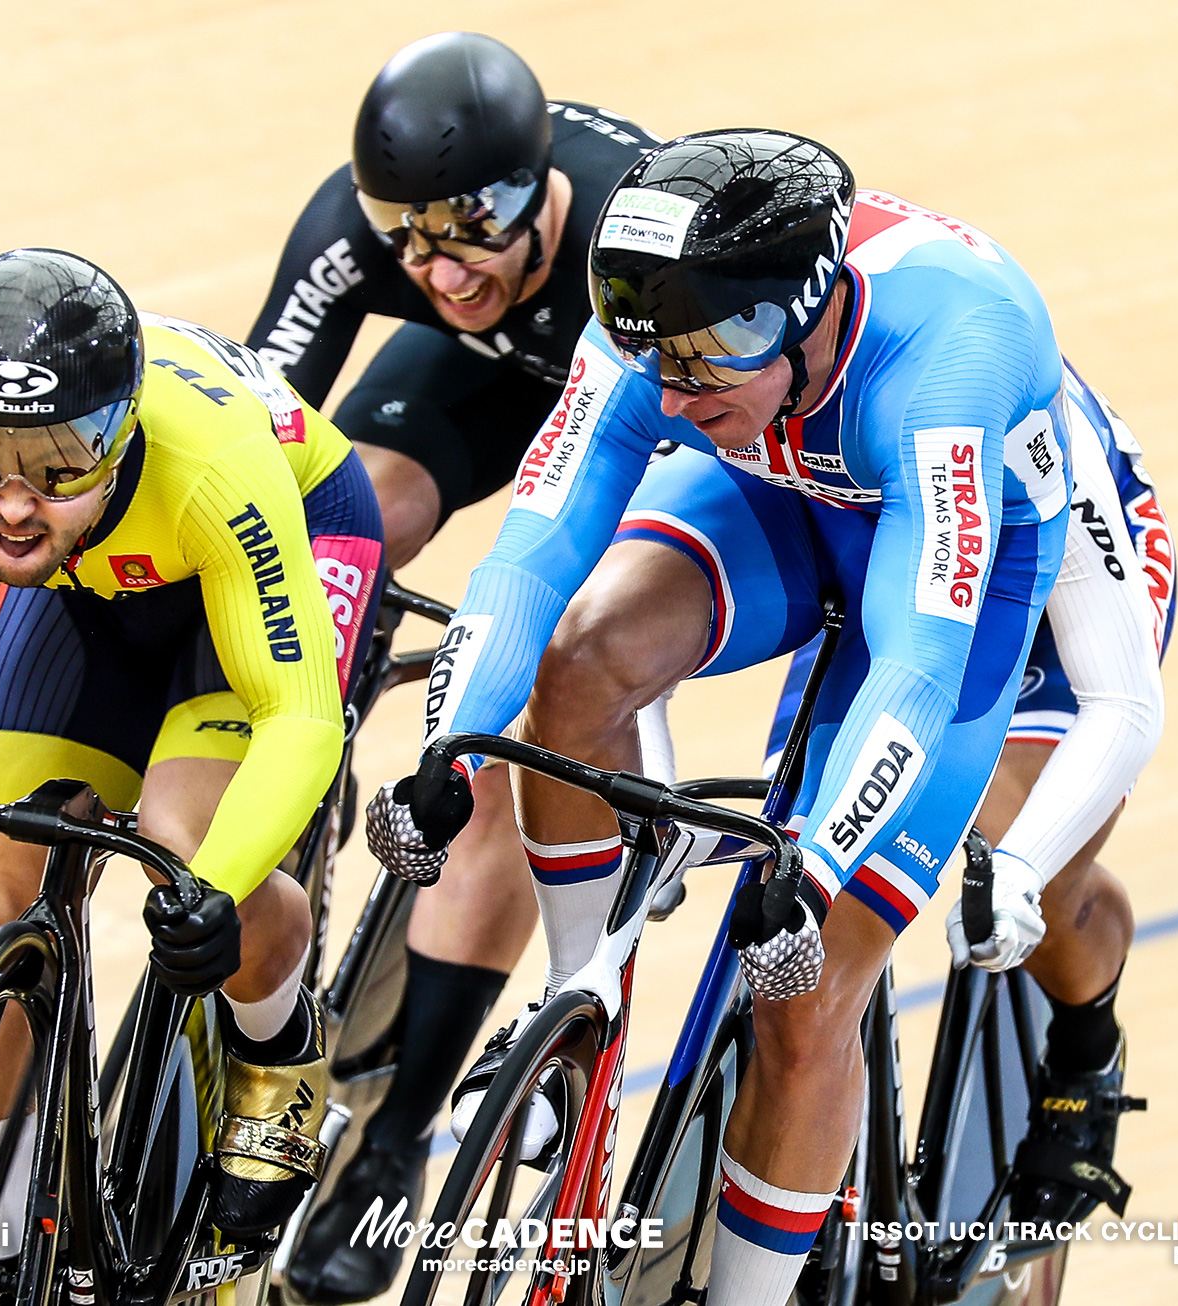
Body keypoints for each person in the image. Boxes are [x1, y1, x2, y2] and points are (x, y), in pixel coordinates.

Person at [369, 129, 1091, 1306]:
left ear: (801, 320)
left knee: (804, 998)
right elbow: (532, 554)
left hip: (952, 579)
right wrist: (449, 745)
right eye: (655, 361)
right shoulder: (660, 335)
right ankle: (579, 1001)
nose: (670, 391)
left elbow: (913, 660)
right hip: (782, 487)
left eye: (705, 363)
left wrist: (813, 869)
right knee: (584, 653)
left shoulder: (949, 359)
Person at [0, 248, 385, 1242]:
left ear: (123, 431)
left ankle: (282, 1052)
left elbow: (298, 716)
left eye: (60, 463)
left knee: (187, 843)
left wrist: (214, 888)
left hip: (279, 530)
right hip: (85, 585)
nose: (13, 501)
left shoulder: (213, 471)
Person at [245, 33, 660, 1301]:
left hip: (639, 414)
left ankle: (393, 1141)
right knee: (340, 512)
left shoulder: (632, 238)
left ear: (545, 189)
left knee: (522, 717)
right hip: (484, 390)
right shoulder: (370, 238)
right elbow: (256, 439)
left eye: (471, 226)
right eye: (405, 235)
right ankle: (300, 786)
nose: (438, 265)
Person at [764, 358, 1173, 1220]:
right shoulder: (769, 375)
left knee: (1019, 836)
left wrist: (1025, 864)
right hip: (909, 572)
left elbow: (1122, 700)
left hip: (1063, 588)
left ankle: (1085, 1048)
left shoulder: (1025, 414)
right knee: (791, 832)